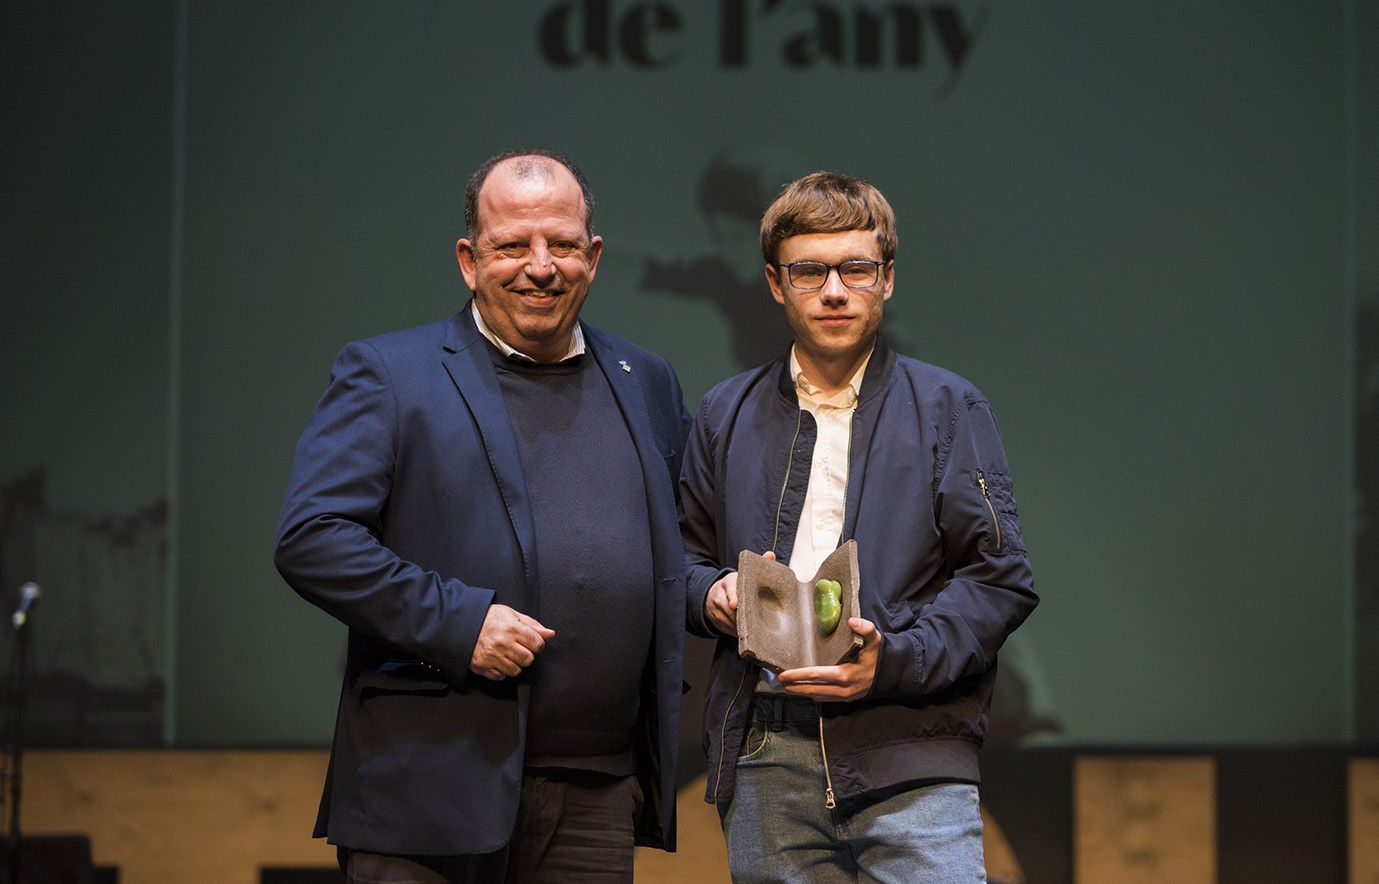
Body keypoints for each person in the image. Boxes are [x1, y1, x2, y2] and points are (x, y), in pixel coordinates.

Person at [275, 150, 690, 883]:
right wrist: (460, 624)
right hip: (430, 785)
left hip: (596, 792)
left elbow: (674, 550)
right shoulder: (390, 374)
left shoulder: (645, 379)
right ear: (470, 261)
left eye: (563, 244)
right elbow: (314, 539)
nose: (542, 267)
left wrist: (718, 591)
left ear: (593, 258)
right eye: (512, 246)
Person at [680, 171, 1038, 883]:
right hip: (766, 751)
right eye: (809, 271)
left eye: (856, 269)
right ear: (776, 283)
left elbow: (999, 578)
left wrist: (894, 661)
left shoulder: (948, 406)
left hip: (908, 744)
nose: (835, 291)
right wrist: (710, 592)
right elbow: (681, 561)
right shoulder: (725, 412)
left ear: (888, 278)